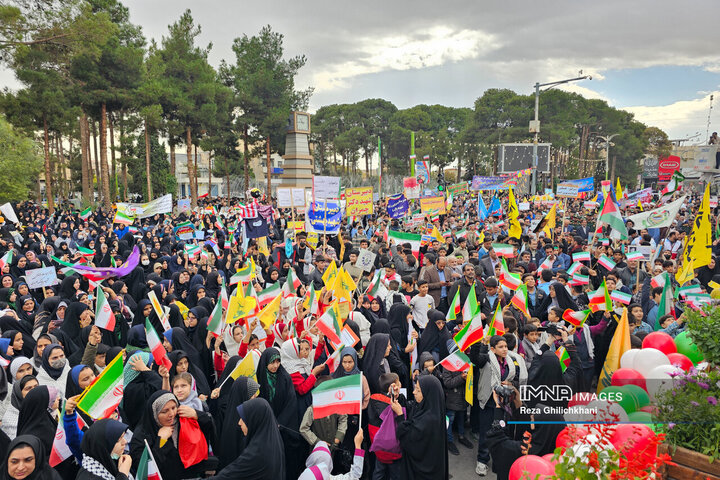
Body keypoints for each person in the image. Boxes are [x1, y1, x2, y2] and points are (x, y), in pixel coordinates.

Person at [205, 398, 285, 480]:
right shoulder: (273, 442)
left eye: (244, 418)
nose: (239, 423)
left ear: (254, 420)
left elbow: (228, 476)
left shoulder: (257, 454)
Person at [393, 375, 448, 480]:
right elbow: (410, 406)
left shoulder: (429, 419)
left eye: (418, 390)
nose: (414, 392)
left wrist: (400, 416)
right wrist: (397, 396)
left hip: (423, 473)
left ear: (427, 394)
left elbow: (408, 440)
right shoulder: (428, 407)